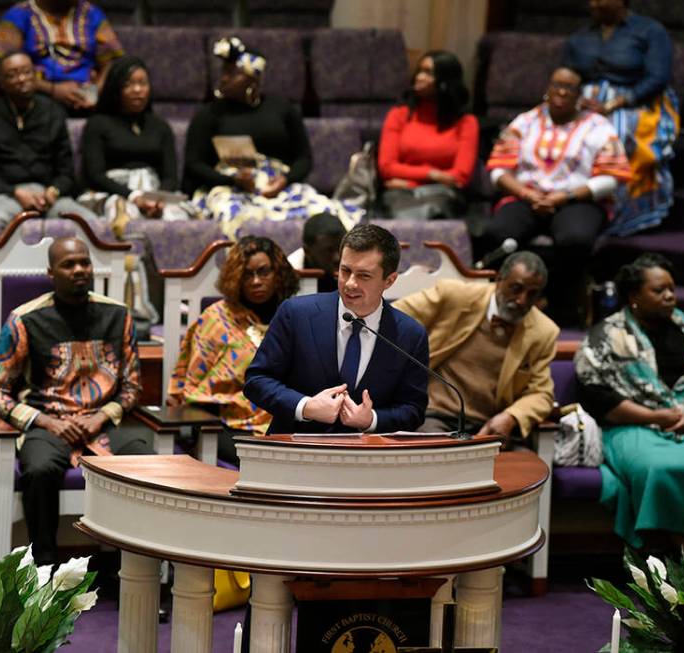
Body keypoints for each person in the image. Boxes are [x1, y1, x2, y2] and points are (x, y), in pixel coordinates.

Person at [0, 237, 153, 566]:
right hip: (48, 422)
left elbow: (132, 386)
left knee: (148, 463)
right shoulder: (25, 319)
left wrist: (102, 416)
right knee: (40, 469)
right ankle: (44, 570)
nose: (79, 270)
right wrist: (43, 421)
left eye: (84, 263)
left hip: (101, 422)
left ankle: (136, 570)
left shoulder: (118, 315)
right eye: (68, 265)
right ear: (50, 273)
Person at [575, 253, 684, 548]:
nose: (669, 297)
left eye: (672, 289)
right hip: (632, 426)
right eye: (659, 290)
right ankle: (680, 558)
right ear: (634, 296)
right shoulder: (606, 335)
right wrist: (656, 417)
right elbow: (597, 396)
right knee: (659, 468)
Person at [479, 66, 631, 327]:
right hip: (526, 196)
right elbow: (498, 171)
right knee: (497, 233)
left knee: (576, 239)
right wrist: (526, 193)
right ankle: (500, 303)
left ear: (580, 94)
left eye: (570, 88)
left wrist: (564, 197)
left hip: (576, 200)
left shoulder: (598, 127)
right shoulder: (525, 122)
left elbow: (611, 178)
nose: (562, 91)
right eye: (557, 85)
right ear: (547, 88)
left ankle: (556, 304)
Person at [244, 224, 428, 434]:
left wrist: (371, 420)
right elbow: (257, 380)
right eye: (345, 271)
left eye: (364, 276)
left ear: (389, 280)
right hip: (294, 452)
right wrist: (305, 406)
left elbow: (413, 409)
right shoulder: (296, 314)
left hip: (366, 459)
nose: (350, 283)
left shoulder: (410, 335)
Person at [182, 36, 361, 238]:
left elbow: (304, 159)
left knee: (326, 214)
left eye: (233, 73)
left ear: (253, 78)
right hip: (228, 186)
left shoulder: (282, 109)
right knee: (237, 217)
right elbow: (194, 163)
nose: (224, 78)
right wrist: (233, 180)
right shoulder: (209, 114)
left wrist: (284, 180)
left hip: (277, 185)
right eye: (224, 71)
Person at [393, 252, 558, 438]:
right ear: (498, 279)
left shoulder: (543, 331)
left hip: (490, 426)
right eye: (516, 288)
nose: (522, 300)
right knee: (442, 456)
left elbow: (542, 394)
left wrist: (511, 416)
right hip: (435, 414)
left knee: (529, 466)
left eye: (532, 294)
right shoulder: (455, 296)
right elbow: (394, 318)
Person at [168, 236, 299, 465]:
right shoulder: (217, 319)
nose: (256, 281)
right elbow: (193, 386)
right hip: (227, 425)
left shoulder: (294, 315)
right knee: (269, 462)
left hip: (287, 420)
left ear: (278, 272)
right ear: (236, 277)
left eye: (263, 272)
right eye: (248, 274)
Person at [563, 0, 679, 237]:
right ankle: (571, 204)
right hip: (586, 99)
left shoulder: (650, 31)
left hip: (636, 99)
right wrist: (577, 97)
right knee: (565, 133)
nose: (593, 3)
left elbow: (658, 78)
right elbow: (567, 72)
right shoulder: (581, 35)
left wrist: (614, 103)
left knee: (619, 135)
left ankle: (621, 215)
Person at [0, 51, 97, 226]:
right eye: (12, 75)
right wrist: (15, 191)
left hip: (48, 195)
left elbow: (66, 171)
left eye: (27, 72)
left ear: (35, 75)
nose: (22, 79)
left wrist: (53, 191)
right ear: (1, 82)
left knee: (89, 223)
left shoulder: (53, 112)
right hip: (4, 195)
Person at [79, 54, 197, 232]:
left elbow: (170, 176)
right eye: (129, 84)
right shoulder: (97, 124)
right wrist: (134, 196)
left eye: (143, 83)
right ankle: (131, 261)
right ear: (116, 88)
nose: (137, 90)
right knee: (124, 215)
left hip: (155, 193)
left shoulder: (161, 126)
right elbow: (95, 175)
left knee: (176, 217)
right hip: (114, 192)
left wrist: (158, 199)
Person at [376, 50, 479, 220]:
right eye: (419, 71)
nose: (419, 77)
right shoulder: (399, 115)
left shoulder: (466, 122)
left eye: (428, 73)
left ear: (446, 82)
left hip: (442, 196)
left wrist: (410, 182)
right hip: (401, 196)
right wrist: (434, 174)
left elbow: (460, 176)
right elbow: (387, 167)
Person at [0, 0, 124, 112]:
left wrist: (95, 92)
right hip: (38, 95)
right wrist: (54, 90)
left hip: (88, 96)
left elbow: (111, 61)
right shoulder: (18, 14)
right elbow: (3, 68)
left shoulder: (92, 13)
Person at [286, 212, 346, 293]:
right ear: (307, 252)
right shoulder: (288, 276)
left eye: (341, 248)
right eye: (329, 251)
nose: (337, 258)